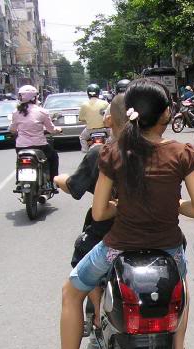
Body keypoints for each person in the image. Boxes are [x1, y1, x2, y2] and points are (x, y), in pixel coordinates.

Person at [44, 79, 194, 349]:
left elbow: (100, 210)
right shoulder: (182, 152)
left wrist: (126, 206)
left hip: (117, 248)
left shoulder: (112, 154)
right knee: (183, 291)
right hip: (168, 249)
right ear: (166, 115)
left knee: (70, 292)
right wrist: (174, 206)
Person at [53, 93, 127, 328]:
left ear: (109, 121)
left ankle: (96, 313)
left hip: (109, 234)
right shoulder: (164, 152)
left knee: (72, 287)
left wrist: (57, 179)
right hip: (156, 233)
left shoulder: (102, 154)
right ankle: (180, 348)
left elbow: (81, 193)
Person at [9, 84, 62, 185]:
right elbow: (51, 130)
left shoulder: (16, 112)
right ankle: (52, 183)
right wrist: (58, 130)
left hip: (21, 146)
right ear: (34, 97)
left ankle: (19, 180)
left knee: (20, 161)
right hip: (39, 146)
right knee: (54, 157)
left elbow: (13, 129)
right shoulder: (42, 111)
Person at [78, 83, 109, 153]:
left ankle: (86, 152)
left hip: (90, 131)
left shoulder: (84, 105)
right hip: (105, 129)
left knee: (82, 138)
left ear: (88, 93)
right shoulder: (105, 103)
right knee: (114, 138)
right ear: (98, 93)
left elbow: (81, 119)